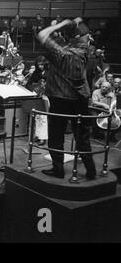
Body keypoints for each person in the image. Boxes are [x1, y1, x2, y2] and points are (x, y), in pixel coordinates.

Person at [37, 17, 96, 180]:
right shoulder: (85, 49)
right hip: (81, 98)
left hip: (60, 97)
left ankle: (58, 170)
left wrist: (61, 24)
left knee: (56, 135)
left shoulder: (62, 52)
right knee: (82, 137)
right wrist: (68, 27)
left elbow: (42, 35)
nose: (88, 37)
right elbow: (78, 38)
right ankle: (91, 171)